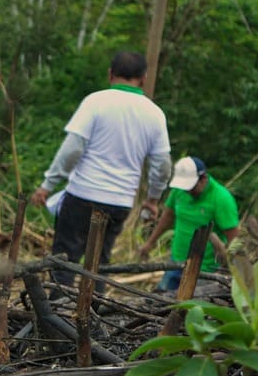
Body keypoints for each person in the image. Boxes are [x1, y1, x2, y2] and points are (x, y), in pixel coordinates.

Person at [31, 50, 171, 272]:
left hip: (83, 195)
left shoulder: (95, 102)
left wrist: (48, 185)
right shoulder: (154, 114)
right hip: (120, 201)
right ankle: (95, 306)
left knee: (64, 260)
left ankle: (58, 305)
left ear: (110, 74)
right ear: (144, 78)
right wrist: (153, 199)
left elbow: (72, 149)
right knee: (99, 264)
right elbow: (162, 165)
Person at [142, 156, 241, 292]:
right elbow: (167, 217)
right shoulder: (179, 190)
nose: (188, 191)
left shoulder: (221, 198)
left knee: (193, 307)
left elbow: (234, 238)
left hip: (204, 270)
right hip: (176, 261)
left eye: (191, 187)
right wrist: (150, 243)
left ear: (203, 178)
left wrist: (233, 268)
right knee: (161, 298)